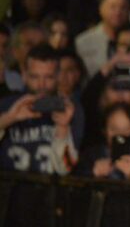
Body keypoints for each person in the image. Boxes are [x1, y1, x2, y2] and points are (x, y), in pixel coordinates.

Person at [0, 44, 83, 173]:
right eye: (35, 77)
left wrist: (62, 128)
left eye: (48, 77)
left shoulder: (69, 110)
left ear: (57, 77)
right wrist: (9, 118)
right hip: (8, 190)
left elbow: (65, 170)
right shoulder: (6, 105)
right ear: (24, 75)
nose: (41, 85)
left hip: (51, 191)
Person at [75, 102, 130, 180]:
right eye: (114, 129)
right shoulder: (91, 155)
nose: (120, 136)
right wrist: (93, 173)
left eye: (127, 130)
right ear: (105, 131)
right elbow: (73, 179)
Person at [75, 0, 130, 77]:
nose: (118, 12)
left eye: (123, 7)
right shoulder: (83, 42)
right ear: (101, 9)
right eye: (113, 7)